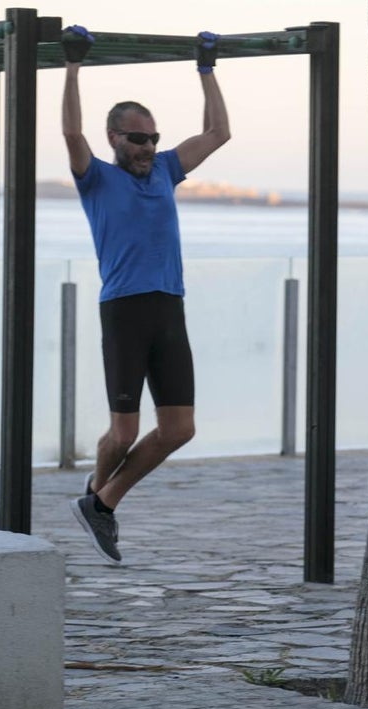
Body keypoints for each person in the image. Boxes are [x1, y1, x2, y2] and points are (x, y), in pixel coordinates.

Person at [61, 25, 231, 565]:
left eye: (153, 137)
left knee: (180, 428)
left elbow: (218, 131)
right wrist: (72, 66)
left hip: (169, 306)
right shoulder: (95, 179)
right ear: (114, 138)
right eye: (137, 138)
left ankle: (99, 501)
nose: (148, 146)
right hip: (125, 309)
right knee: (123, 431)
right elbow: (70, 134)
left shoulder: (165, 170)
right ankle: (97, 497)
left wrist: (206, 70)